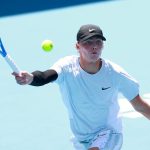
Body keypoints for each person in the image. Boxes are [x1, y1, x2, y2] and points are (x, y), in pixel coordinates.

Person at [12, 24, 150, 150]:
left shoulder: (115, 74)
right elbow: (46, 76)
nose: (94, 46)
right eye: (88, 43)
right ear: (77, 46)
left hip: (108, 133)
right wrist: (31, 78)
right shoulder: (66, 67)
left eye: (98, 42)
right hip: (81, 137)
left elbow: (140, 106)